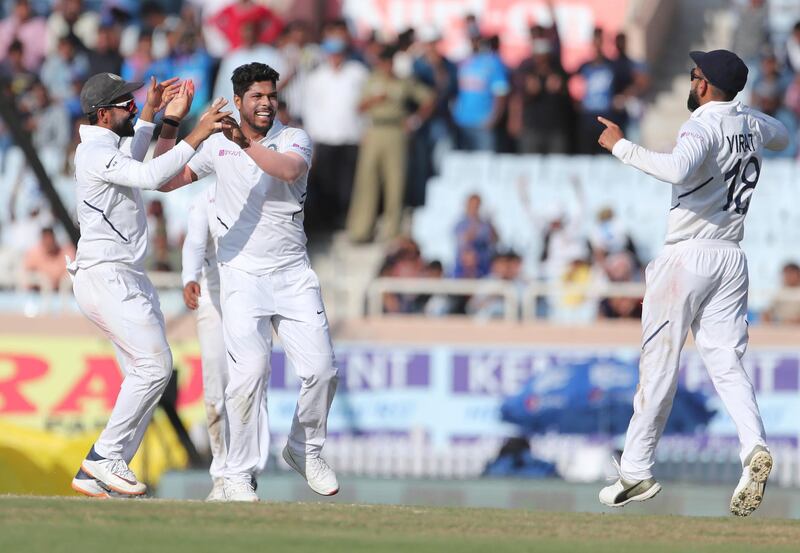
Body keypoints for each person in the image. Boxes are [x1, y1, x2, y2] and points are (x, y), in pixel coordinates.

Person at [597, 49, 789, 516]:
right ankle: (752, 448)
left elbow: (679, 169)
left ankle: (637, 470)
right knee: (726, 362)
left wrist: (621, 146)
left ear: (703, 85)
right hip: (731, 257)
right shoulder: (749, 123)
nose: (690, 81)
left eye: (693, 74)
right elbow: (782, 135)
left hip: (686, 258)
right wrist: (747, 117)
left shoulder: (700, 125)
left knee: (659, 365)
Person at [159, 62, 339, 502]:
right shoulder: (217, 146)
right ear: (237, 101)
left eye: (270, 96)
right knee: (249, 375)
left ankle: (304, 448)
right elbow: (163, 179)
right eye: (256, 96)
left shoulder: (293, 138)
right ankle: (236, 474)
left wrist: (244, 144)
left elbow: (288, 171)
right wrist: (172, 124)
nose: (265, 103)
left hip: (294, 274)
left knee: (321, 371)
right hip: (240, 276)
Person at [69, 73, 232, 498]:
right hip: (107, 276)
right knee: (154, 367)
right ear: (103, 115)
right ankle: (104, 457)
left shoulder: (106, 146)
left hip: (123, 275)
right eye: (125, 103)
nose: (132, 105)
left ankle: (98, 470)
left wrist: (151, 114)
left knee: (148, 376)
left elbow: (137, 162)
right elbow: (150, 176)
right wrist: (197, 132)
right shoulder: (91, 154)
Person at [181, 187, 271, 501]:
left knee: (252, 385)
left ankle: (246, 472)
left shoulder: (261, 192)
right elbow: (194, 241)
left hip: (252, 296)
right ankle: (221, 475)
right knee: (216, 390)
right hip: (214, 300)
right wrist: (189, 276)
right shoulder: (206, 198)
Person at [346, 45, 433, 243]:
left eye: (388, 62)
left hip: (396, 131)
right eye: (382, 62)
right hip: (375, 129)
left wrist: (415, 120)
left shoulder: (403, 82)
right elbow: (359, 107)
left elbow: (428, 98)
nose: (385, 66)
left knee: (396, 181)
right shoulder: (372, 80)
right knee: (367, 179)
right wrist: (375, 100)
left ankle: (393, 230)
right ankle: (361, 229)